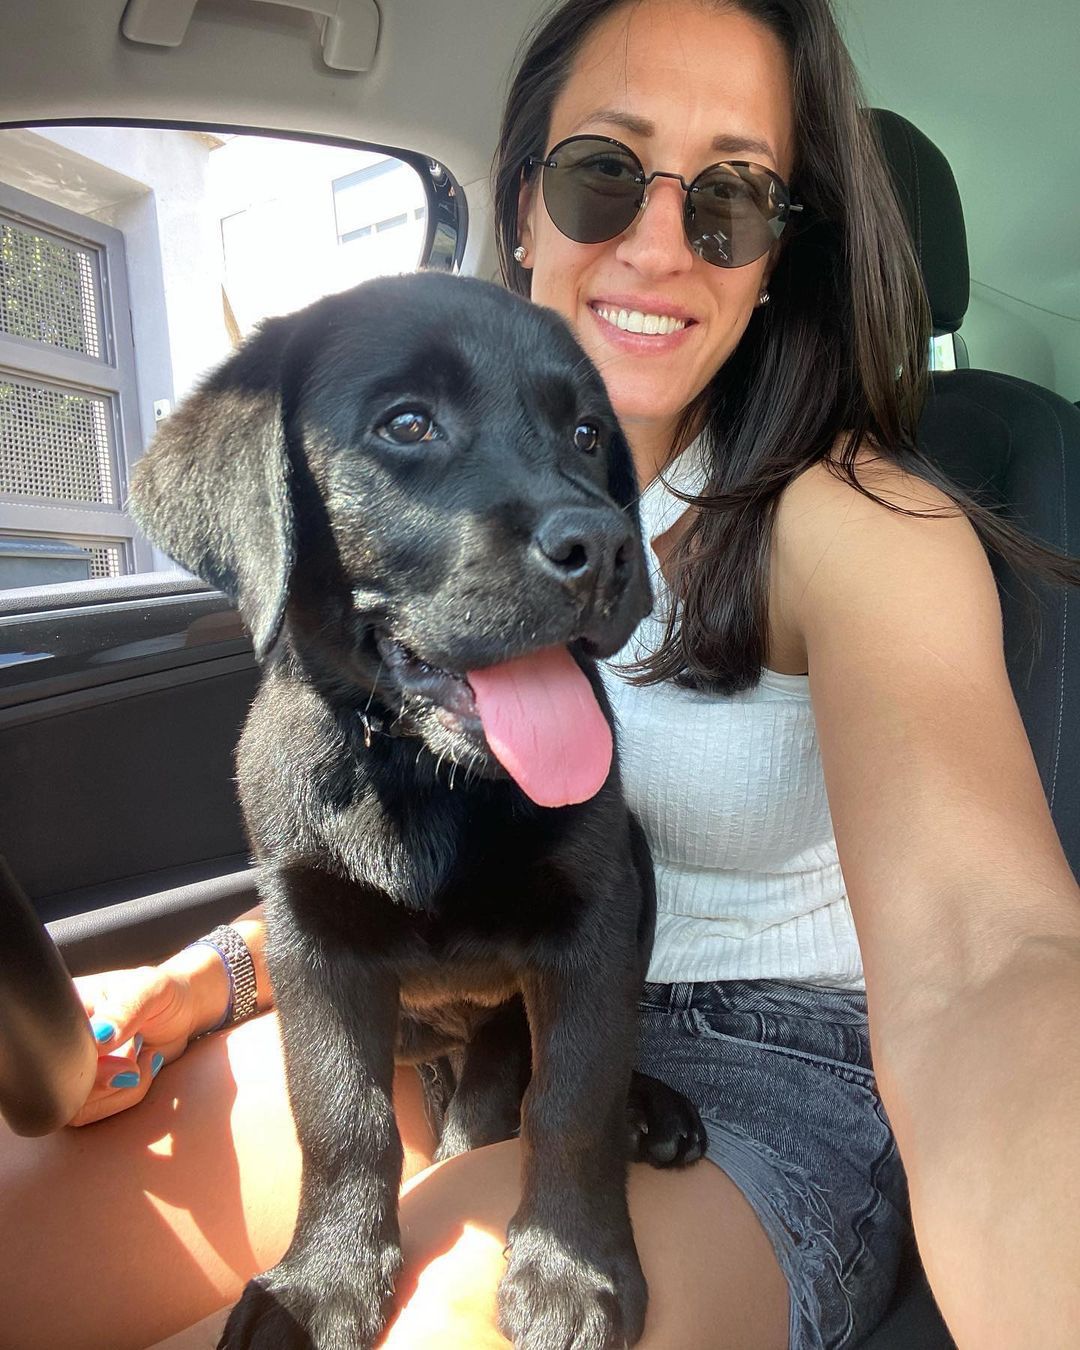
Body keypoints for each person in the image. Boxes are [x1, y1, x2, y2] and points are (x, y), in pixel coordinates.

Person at [3, 0, 1080, 1346]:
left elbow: (987, 954)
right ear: (521, 203)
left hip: (756, 1069)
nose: (658, 243)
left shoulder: (860, 523)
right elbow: (371, 839)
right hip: (464, 1016)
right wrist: (212, 972)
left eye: (732, 199)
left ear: (773, 254)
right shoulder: (390, 508)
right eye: (603, 174)